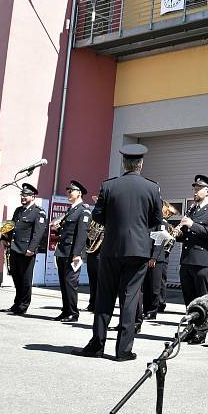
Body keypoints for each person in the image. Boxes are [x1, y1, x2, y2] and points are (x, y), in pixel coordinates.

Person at [72, 144, 162, 361]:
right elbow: (156, 220)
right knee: (130, 300)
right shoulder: (152, 188)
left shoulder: (109, 186)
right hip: (139, 250)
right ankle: (123, 350)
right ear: (140, 164)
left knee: (104, 297)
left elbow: (98, 217)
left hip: (111, 249)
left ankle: (97, 345)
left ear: (124, 163)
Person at [175, 175, 208, 344]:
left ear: (207, 192)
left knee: (202, 299)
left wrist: (192, 225)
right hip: (187, 260)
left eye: (198, 189)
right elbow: (187, 236)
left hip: (202, 261)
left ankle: (201, 332)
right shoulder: (191, 210)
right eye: (194, 188)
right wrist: (177, 234)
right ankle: (190, 328)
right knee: (189, 299)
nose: (195, 191)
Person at [1, 183, 47, 315]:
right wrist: (3, 238)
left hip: (27, 251)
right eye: (22, 195)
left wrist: (32, 249)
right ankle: (17, 303)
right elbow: (11, 226)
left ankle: (23, 305)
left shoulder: (38, 212)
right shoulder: (18, 210)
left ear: (33, 197)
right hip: (15, 249)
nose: (23, 197)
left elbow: (39, 233)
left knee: (26, 279)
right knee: (17, 278)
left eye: (26, 195)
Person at [52, 180, 91, 322]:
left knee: (70, 283)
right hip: (63, 251)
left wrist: (77, 254)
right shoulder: (71, 210)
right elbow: (67, 231)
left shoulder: (83, 210)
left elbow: (82, 234)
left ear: (79, 193)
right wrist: (58, 229)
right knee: (63, 283)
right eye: (68, 190)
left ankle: (73, 313)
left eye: (71, 190)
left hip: (72, 253)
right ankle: (65, 310)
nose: (68, 192)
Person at [142, 201, 175, 320]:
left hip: (157, 259)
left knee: (155, 287)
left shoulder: (162, 222)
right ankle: (145, 309)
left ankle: (152, 310)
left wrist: (154, 257)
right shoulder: (149, 221)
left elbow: (160, 240)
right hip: (147, 257)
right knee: (146, 286)